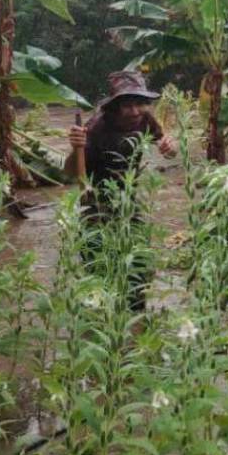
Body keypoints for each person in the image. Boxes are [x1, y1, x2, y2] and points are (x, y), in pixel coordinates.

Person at [65, 70, 177, 310]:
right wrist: (76, 148)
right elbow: (71, 173)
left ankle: (135, 321)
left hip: (129, 198)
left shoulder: (145, 119)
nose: (135, 111)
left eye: (140, 103)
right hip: (97, 203)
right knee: (98, 266)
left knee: (140, 263)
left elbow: (165, 144)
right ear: (115, 106)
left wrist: (170, 146)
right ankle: (101, 319)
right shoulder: (97, 128)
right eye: (128, 105)